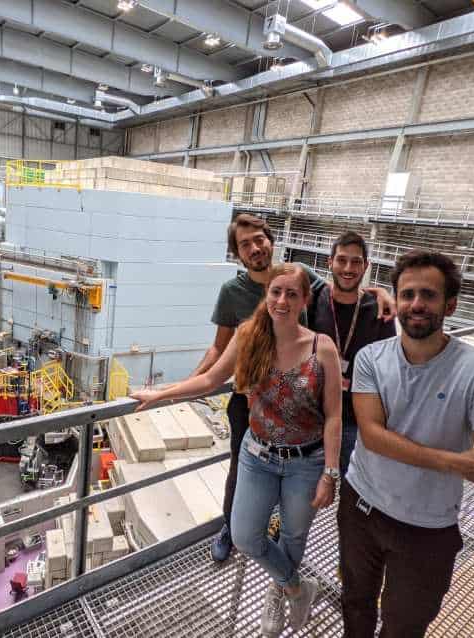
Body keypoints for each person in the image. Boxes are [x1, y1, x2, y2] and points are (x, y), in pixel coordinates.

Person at [342, 250, 474, 637]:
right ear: (396, 301)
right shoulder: (371, 358)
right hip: (361, 507)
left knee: (404, 625)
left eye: (428, 294)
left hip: (426, 528)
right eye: (408, 294)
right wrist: (458, 463)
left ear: (450, 305)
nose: (416, 304)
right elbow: (372, 436)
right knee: (356, 603)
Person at [133, 263, 343, 636]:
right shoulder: (249, 336)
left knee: (294, 536)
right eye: (276, 291)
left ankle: (278, 591)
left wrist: (330, 472)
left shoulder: (321, 347)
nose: (282, 300)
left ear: (304, 300)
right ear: (267, 295)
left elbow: (334, 417)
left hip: (306, 462)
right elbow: (211, 379)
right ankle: (297, 587)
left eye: (291, 294)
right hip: (257, 456)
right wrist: (161, 393)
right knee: (245, 535)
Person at [195, 214, 395, 562]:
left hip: (303, 397)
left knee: (301, 472)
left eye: (259, 239)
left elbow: (341, 286)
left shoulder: (298, 274)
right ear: (237, 253)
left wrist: (379, 292)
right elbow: (218, 347)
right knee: (242, 469)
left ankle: (282, 535)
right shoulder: (232, 292)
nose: (255, 248)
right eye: (245, 244)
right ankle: (232, 526)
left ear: (271, 241)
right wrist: (189, 382)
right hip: (253, 400)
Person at [307, 231, 397, 473]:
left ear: (366, 266)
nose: (348, 268)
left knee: (351, 484)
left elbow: (388, 370)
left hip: (354, 419)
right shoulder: (313, 300)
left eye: (356, 262)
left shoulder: (379, 311)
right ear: (330, 262)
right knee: (309, 487)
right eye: (341, 260)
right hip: (311, 415)